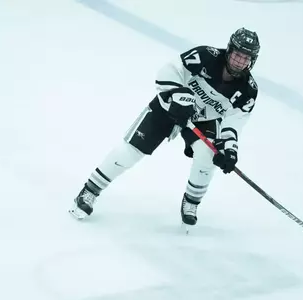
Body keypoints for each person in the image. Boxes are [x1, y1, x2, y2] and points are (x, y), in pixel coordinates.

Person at [69, 27, 261, 228]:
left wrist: (229, 150)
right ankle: (90, 190)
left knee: (208, 155)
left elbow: (233, 123)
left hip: (203, 120)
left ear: (252, 61)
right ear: (229, 50)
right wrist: (178, 96)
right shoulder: (206, 56)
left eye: (245, 58)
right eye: (237, 54)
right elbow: (170, 70)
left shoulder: (248, 90)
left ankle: (192, 202)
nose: (240, 61)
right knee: (132, 151)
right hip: (171, 106)